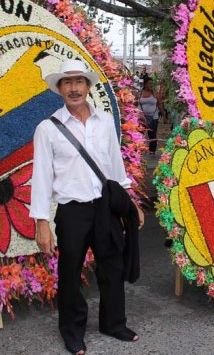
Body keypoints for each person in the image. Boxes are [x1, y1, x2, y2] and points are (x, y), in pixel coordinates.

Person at [30, 59, 144, 355]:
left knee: (112, 266)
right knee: (69, 272)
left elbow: (114, 167)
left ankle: (113, 323)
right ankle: (72, 331)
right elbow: (41, 176)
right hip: (72, 212)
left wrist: (131, 202)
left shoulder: (104, 122)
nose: (73, 88)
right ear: (59, 89)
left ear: (88, 86)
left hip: (105, 206)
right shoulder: (47, 129)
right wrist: (42, 221)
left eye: (79, 82)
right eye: (67, 83)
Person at [138, 76, 165, 155]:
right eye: (149, 83)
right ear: (145, 84)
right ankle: (139, 151)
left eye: (151, 84)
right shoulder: (140, 93)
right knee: (140, 135)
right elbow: (135, 103)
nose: (151, 85)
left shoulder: (155, 93)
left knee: (152, 135)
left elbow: (160, 105)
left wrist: (164, 116)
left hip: (153, 118)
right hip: (142, 118)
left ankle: (152, 151)